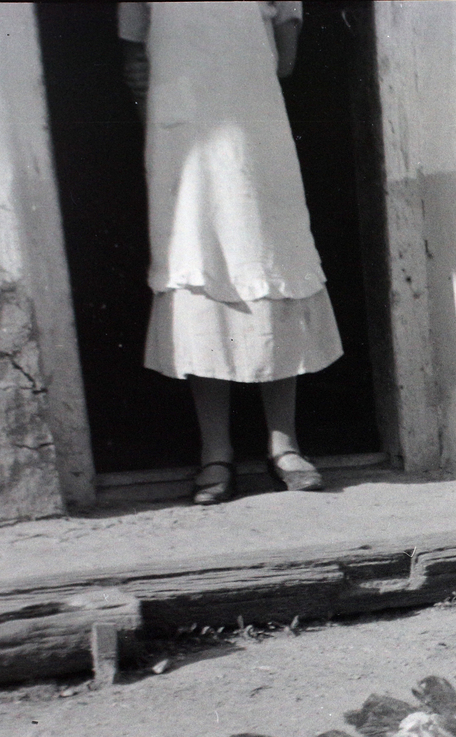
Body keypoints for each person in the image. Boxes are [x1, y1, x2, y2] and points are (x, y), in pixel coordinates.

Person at [120, 1, 340, 505]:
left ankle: (283, 445)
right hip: (183, 137)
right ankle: (215, 453)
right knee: (198, 267)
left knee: (267, 260)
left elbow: (285, 57)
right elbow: (133, 55)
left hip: (253, 129)